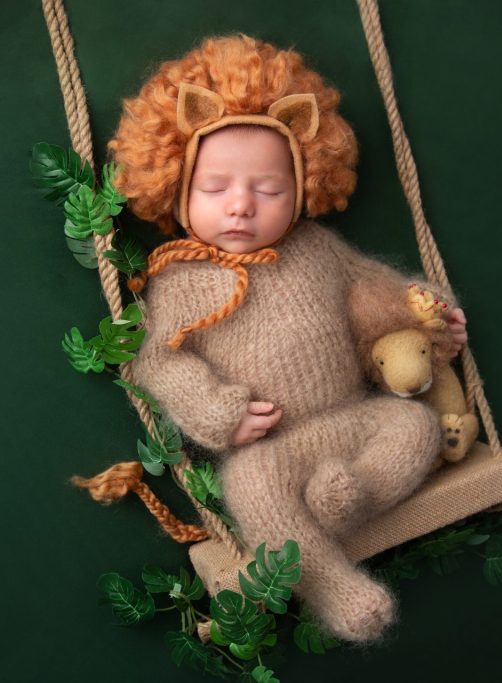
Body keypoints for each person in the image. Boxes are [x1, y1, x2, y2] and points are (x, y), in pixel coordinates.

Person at [109, 34, 468, 642]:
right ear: (175, 186)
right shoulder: (182, 283)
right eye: (215, 188)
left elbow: (378, 298)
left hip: (349, 425)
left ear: (304, 185)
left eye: (268, 189)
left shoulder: (316, 250)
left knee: (415, 428)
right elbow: (160, 365)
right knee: (248, 487)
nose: (241, 207)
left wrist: (428, 321)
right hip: (273, 445)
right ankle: (334, 585)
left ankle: (350, 500)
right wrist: (220, 414)